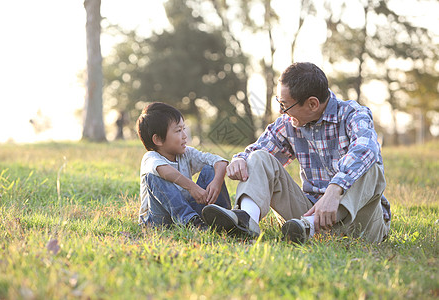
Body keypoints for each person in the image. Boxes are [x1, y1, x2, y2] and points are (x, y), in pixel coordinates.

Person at [202, 62, 391, 243]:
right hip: (305, 214)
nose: (281, 110)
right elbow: (258, 150)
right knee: (258, 157)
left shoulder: (353, 114)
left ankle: (309, 227)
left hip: (360, 223)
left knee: (370, 167)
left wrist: (335, 190)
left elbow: (366, 149)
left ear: (312, 104)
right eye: (279, 102)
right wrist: (241, 159)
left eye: (285, 105)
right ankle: (246, 222)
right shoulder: (289, 123)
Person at [137, 102, 231, 230]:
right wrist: (192, 187)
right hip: (158, 220)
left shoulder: (186, 153)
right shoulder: (151, 158)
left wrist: (217, 181)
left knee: (210, 169)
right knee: (152, 176)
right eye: (178, 131)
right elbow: (163, 170)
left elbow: (220, 162)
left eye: (184, 129)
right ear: (158, 139)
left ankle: (223, 218)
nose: (185, 136)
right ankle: (191, 222)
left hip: (187, 211)